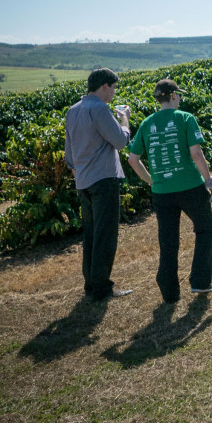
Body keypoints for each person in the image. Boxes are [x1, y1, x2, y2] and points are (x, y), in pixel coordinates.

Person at [127, 79, 212, 303]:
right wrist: (210, 181)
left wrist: (152, 181)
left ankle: (169, 291)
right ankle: (199, 282)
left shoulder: (147, 123)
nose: (180, 98)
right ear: (172, 96)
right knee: (205, 229)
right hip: (190, 187)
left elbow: (133, 159)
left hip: (162, 192)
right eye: (178, 95)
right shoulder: (186, 118)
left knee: (168, 240)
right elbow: (196, 154)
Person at [64, 68, 134, 301]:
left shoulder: (73, 111)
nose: (114, 92)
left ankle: (91, 286)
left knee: (91, 234)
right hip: (103, 179)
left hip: (82, 181)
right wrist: (124, 120)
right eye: (113, 87)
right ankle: (102, 288)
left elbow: (69, 155)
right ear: (105, 86)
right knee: (105, 235)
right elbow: (120, 141)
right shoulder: (100, 109)